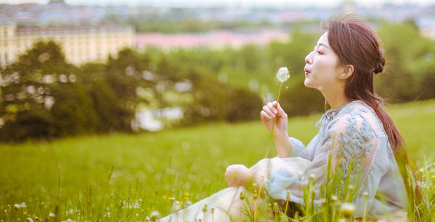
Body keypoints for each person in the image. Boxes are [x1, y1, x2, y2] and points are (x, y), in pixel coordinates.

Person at [161, 17, 409, 221]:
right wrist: (281, 136)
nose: (308, 57)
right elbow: (316, 173)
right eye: (313, 49)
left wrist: (251, 180)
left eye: (320, 52)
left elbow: (325, 204)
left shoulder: (354, 125)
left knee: (254, 194)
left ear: (346, 70)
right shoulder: (346, 117)